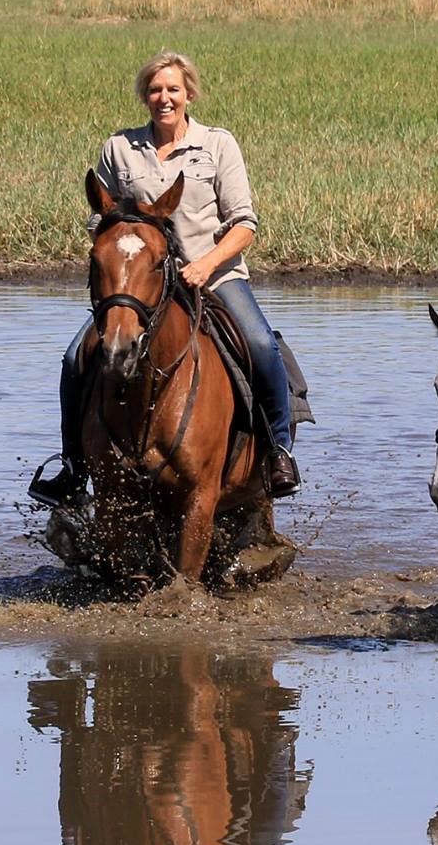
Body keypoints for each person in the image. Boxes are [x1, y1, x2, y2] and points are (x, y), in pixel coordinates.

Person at [30, 50, 301, 505]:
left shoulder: (217, 145)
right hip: (142, 284)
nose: (164, 98)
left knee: (259, 344)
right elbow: (103, 219)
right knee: (76, 358)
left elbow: (244, 223)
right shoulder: (120, 148)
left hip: (213, 276)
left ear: (189, 94)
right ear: (145, 96)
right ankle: (73, 466)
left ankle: (278, 451)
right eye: (155, 90)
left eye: (173, 89)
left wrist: (205, 265)